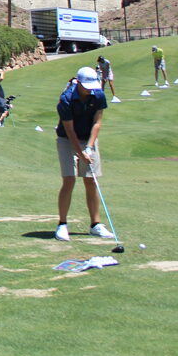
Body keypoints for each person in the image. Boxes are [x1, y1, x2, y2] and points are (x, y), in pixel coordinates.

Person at [54, 66, 115, 241]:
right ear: (78, 83)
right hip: (67, 140)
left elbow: (97, 122)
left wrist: (88, 147)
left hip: (88, 138)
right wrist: (80, 153)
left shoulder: (98, 95)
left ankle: (95, 225)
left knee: (91, 180)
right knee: (69, 179)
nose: (90, 90)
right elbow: (69, 130)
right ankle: (62, 224)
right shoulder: (66, 99)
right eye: (86, 86)